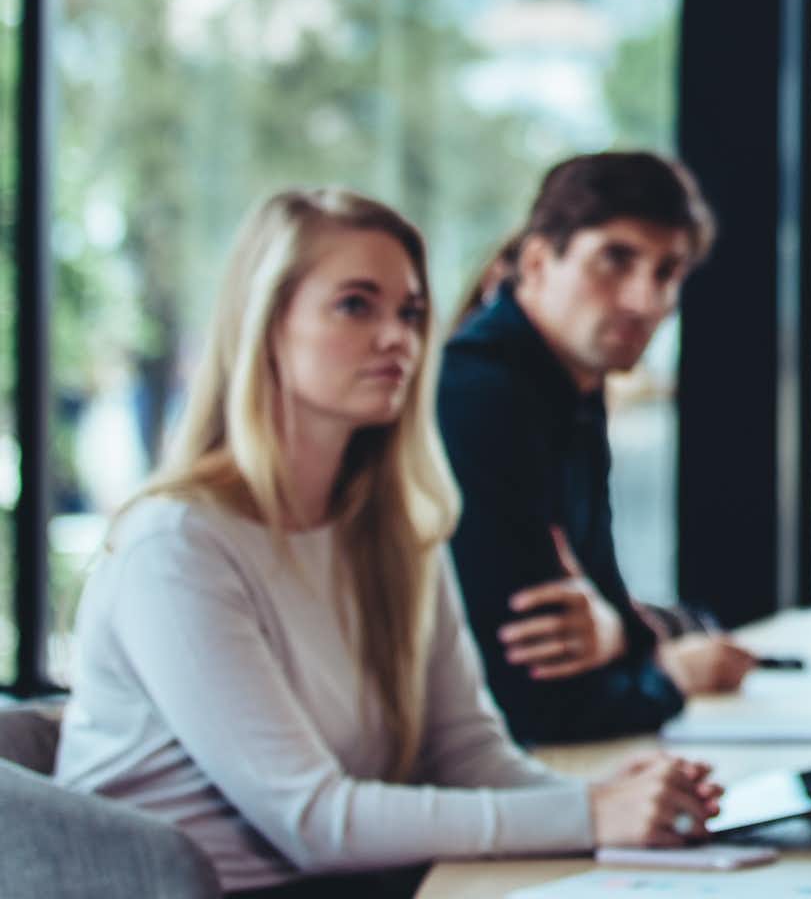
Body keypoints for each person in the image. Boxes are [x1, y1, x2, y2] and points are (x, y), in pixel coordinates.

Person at [51, 189, 718, 897]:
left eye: (410, 313)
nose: (397, 338)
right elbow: (312, 819)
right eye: (355, 305)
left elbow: (470, 754)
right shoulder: (177, 544)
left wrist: (622, 799)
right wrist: (586, 812)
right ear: (266, 322)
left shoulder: (395, 527)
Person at [440, 153, 755, 745]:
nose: (645, 301)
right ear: (536, 261)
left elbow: (604, 604)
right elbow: (534, 698)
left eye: (667, 272)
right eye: (615, 259)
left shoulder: (571, 389)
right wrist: (670, 673)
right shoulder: (481, 396)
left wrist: (622, 633)